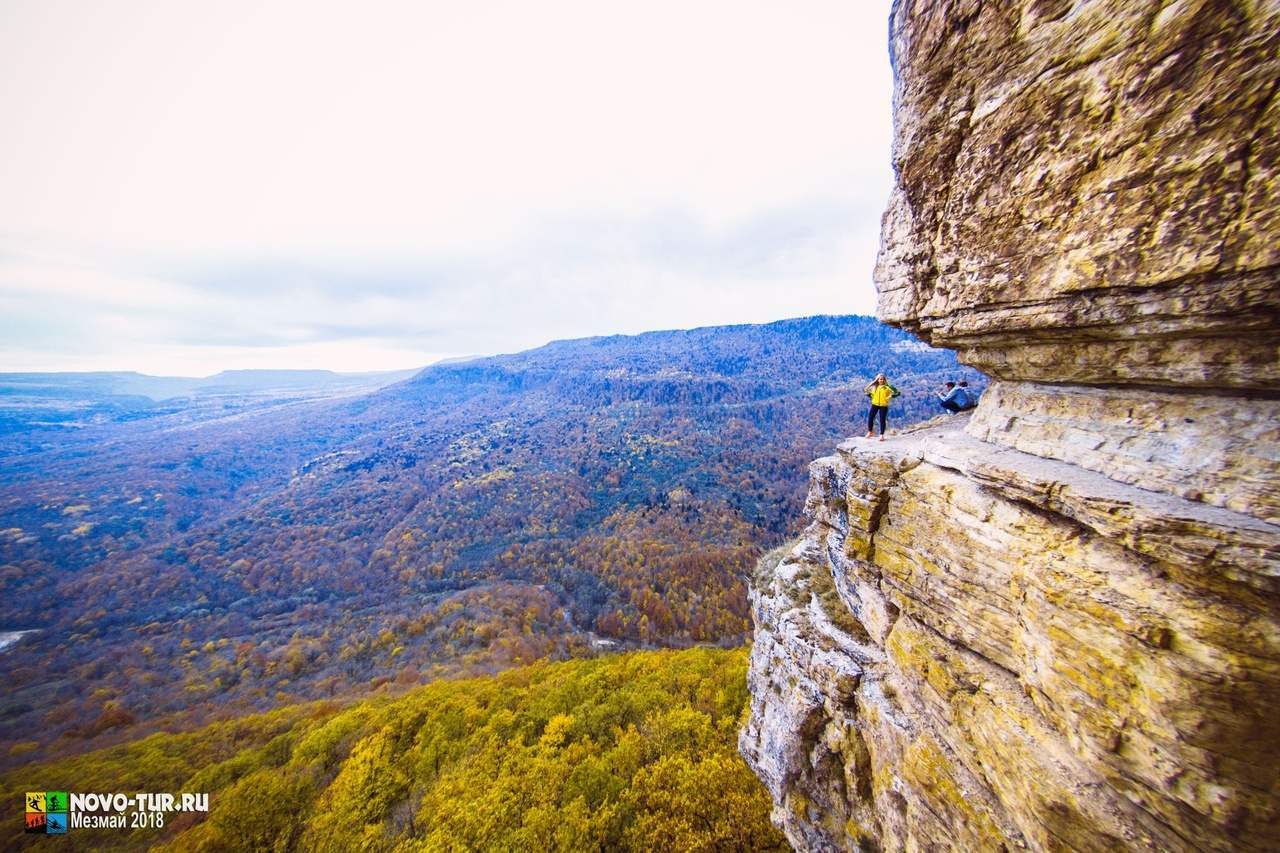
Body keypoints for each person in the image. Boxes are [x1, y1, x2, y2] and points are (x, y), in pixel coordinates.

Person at [863, 373, 899, 440]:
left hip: (883, 405)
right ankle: (870, 432)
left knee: (882, 420)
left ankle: (881, 435)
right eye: (880, 379)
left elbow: (897, 392)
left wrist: (890, 396)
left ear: (884, 380)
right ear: (877, 380)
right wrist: (871, 386)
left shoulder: (887, 387)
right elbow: (865, 390)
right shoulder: (875, 387)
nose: (881, 380)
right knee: (870, 418)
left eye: (882, 379)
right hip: (875, 404)